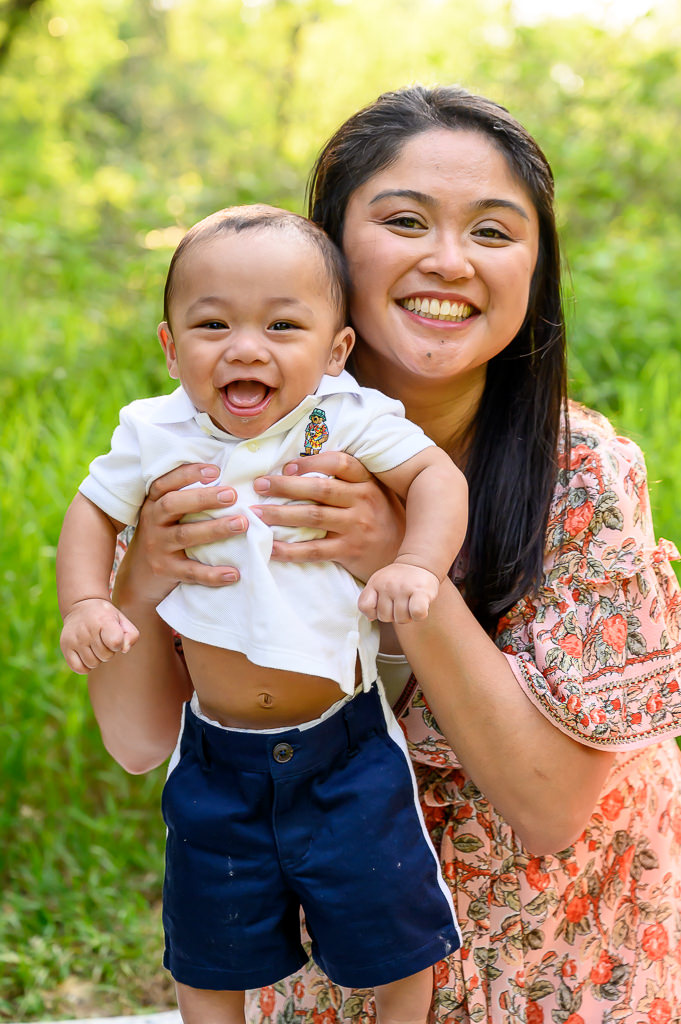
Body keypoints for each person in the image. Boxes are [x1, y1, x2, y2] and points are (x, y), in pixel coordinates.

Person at [86, 86, 681, 1024]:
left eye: (493, 231)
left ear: (535, 272)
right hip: (327, 983)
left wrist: (398, 558)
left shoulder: (582, 476)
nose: (448, 260)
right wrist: (139, 576)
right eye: (404, 220)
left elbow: (548, 808)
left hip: (558, 971)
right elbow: (137, 741)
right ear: (324, 250)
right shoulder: (206, 446)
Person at [57, 204, 467, 1024]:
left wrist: (415, 563)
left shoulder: (346, 416)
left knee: (397, 935)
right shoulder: (154, 430)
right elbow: (92, 511)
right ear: (170, 346)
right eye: (212, 324)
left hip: (344, 745)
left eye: (282, 325)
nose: (245, 348)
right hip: (216, 755)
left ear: (335, 350)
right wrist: (86, 601)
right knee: (208, 947)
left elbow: (435, 479)